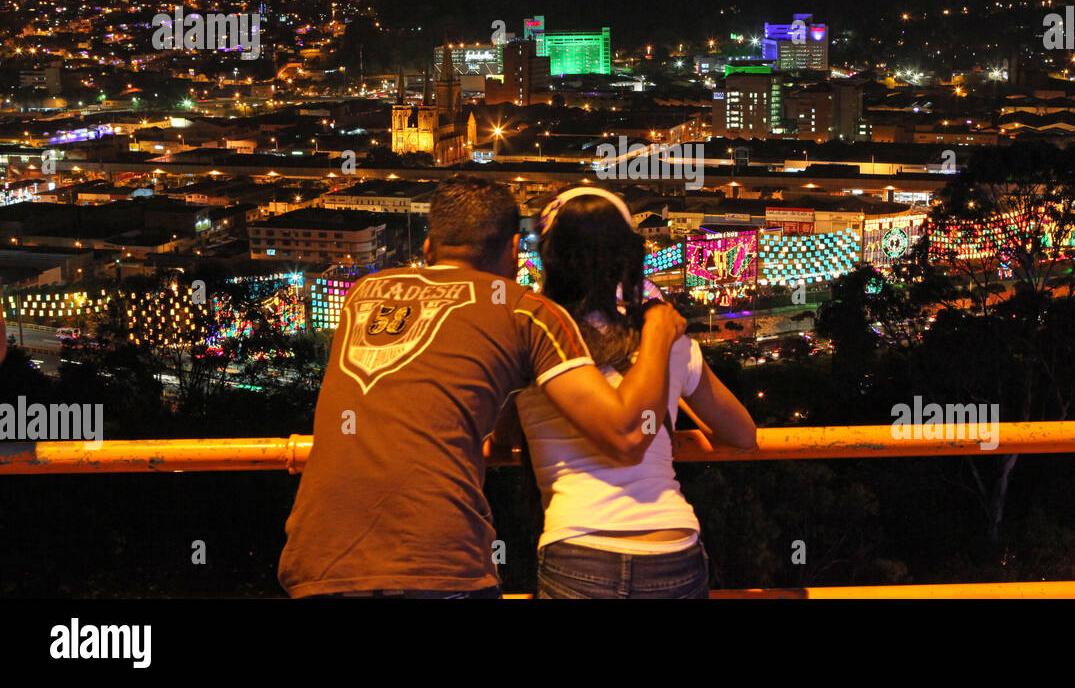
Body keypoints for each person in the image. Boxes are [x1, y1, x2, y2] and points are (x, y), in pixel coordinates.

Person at [277, 175, 686, 598]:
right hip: (440, 566)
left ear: (428, 249)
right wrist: (657, 328)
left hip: (317, 564)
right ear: (512, 251)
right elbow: (625, 435)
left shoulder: (363, 295)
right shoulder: (527, 313)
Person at [516, 187, 757, 598]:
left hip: (578, 548)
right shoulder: (663, 337)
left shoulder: (527, 340)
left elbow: (503, 435)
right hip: (672, 549)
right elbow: (743, 435)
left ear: (547, 257)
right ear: (628, 256)